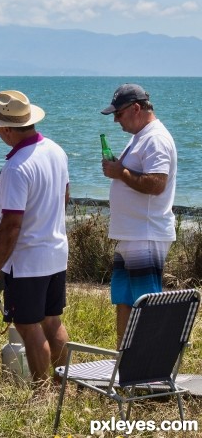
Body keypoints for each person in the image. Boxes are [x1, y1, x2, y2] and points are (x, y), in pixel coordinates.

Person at [0, 90, 70, 384]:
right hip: (56, 251)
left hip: (28, 260)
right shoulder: (56, 150)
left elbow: (11, 225)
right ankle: (62, 385)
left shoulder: (17, 167)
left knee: (28, 326)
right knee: (52, 321)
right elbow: (64, 196)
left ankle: (42, 391)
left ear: (6, 129)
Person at [100, 83, 177, 347]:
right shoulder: (141, 136)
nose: (115, 120)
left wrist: (119, 172)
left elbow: (157, 184)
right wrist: (118, 170)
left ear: (136, 108)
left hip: (146, 232)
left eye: (118, 114)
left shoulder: (155, 138)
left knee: (145, 303)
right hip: (131, 233)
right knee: (124, 299)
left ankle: (148, 366)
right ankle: (126, 359)